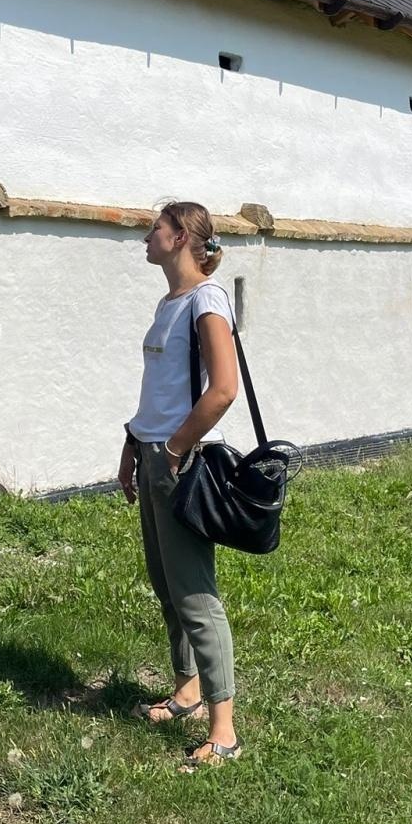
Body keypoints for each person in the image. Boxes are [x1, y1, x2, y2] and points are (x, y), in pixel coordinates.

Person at [119, 200, 243, 771]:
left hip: (176, 462)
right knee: (165, 584)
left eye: (155, 229)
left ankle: (224, 729)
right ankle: (187, 692)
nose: (147, 236)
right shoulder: (168, 301)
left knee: (194, 594)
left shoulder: (206, 301)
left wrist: (172, 450)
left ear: (180, 237)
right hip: (151, 455)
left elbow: (223, 389)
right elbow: (159, 393)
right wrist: (133, 447)